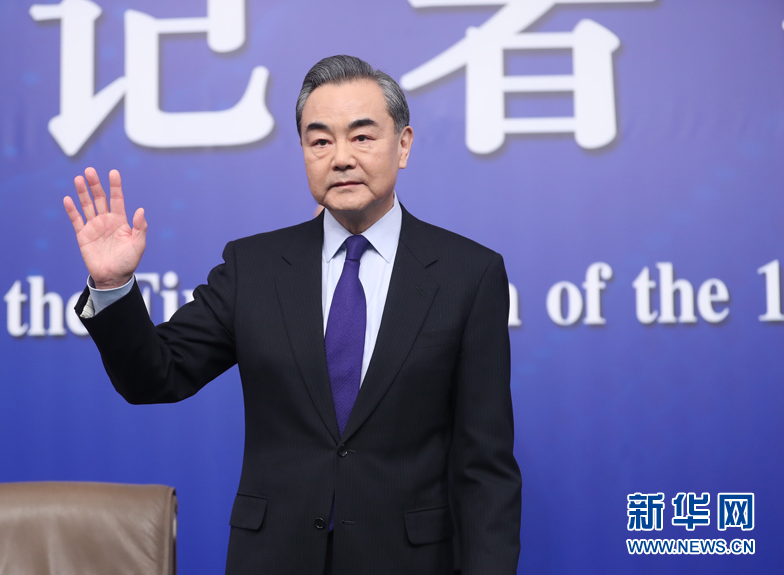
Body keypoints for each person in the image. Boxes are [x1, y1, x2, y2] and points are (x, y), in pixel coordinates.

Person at [65, 55, 521, 575]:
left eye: (362, 137)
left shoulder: (468, 274)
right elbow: (155, 376)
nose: (341, 158)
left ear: (404, 145)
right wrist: (113, 285)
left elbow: (485, 469)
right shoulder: (254, 267)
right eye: (320, 141)